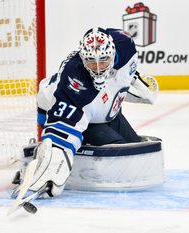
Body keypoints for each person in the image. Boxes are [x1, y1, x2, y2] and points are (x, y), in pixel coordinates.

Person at [14, 27, 158, 198]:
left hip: (104, 113)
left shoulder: (125, 44)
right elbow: (62, 134)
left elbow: (117, 79)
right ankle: (37, 163)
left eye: (103, 61)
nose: (98, 69)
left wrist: (131, 77)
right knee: (116, 151)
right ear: (83, 58)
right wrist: (53, 167)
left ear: (112, 54)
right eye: (91, 62)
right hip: (57, 110)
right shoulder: (76, 82)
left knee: (133, 145)